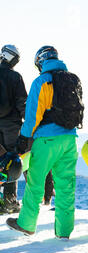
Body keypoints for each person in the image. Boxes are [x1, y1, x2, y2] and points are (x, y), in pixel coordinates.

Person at [6, 45, 82, 239]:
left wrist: (23, 138)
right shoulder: (73, 80)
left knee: (35, 182)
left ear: (40, 62)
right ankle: (64, 231)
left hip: (47, 139)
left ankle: (26, 224)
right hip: (70, 139)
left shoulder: (42, 81)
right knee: (66, 186)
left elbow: (32, 116)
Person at [0, 44, 27, 213]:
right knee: (11, 161)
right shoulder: (15, 76)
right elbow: (23, 102)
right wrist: (30, 124)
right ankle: (9, 202)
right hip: (11, 126)